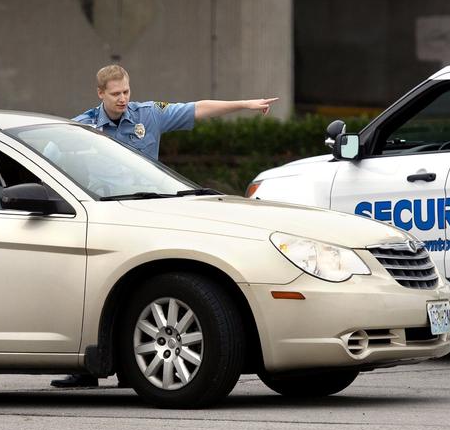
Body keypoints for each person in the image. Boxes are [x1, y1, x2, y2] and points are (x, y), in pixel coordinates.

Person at [52, 64, 279, 388]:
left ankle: (132, 368)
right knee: (98, 288)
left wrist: (244, 104)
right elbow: (48, 157)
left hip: (148, 214)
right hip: (105, 217)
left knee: (140, 290)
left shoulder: (148, 115)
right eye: (115, 94)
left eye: (126, 92)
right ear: (100, 94)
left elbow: (198, 109)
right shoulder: (82, 128)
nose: (123, 99)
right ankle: (86, 368)